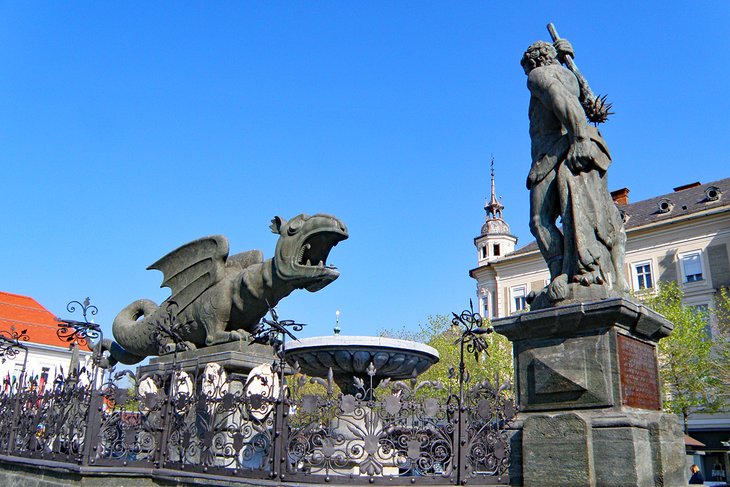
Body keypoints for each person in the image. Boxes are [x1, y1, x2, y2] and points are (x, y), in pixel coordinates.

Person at [522, 39, 628, 304]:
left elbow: (561, 101)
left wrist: (579, 137)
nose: (525, 71)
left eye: (525, 66)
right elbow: (595, 108)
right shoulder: (569, 75)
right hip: (576, 144)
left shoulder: (538, 75)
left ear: (533, 60)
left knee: (539, 220)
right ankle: (574, 272)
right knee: (579, 212)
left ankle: (559, 272)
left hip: (551, 153)